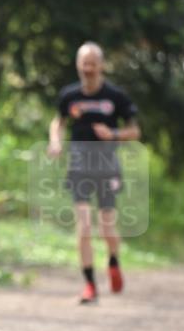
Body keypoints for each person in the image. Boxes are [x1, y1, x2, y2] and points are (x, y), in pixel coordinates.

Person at [48, 41, 141, 303]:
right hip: (79, 165)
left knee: (107, 227)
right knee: (84, 225)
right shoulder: (69, 95)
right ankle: (89, 284)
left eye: (92, 63)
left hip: (107, 166)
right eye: (84, 63)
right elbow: (58, 122)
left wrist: (113, 133)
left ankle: (113, 261)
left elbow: (135, 131)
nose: (88, 68)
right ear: (78, 65)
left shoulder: (116, 96)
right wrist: (55, 141)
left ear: (101, 65)